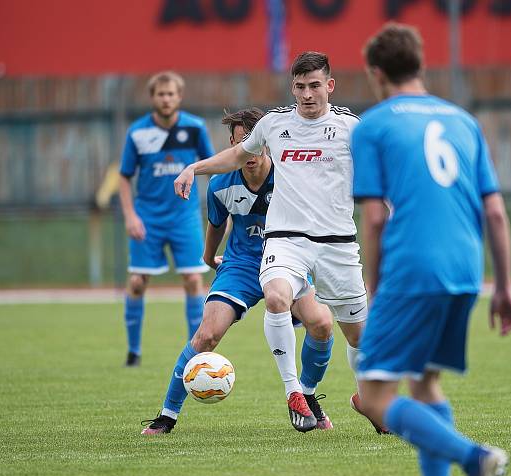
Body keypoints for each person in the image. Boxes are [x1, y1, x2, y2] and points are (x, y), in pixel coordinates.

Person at [350, 23, 511, 476]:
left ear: (375, 73)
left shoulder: (374, 126)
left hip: (413, 267)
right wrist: (505, 286)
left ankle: (476, 458)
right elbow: (495, 213)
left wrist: (376, 286)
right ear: (421, 66)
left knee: (375, 396)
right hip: (465, 268)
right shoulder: (463, 121)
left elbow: (376, 216)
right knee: (425, 384)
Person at [173, 52, 368, 433]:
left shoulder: (351, 129)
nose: (307, 94)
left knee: (357, 335)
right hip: (286, 239)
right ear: (291, 87)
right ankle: (293, 391)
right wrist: (194, 167)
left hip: (337, 243)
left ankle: (366, 399)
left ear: (329, 86)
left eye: (315, 86)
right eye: (300, 86)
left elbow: (379, 175)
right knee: (277, 297)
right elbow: (235, 154)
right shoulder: (273, 125)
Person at [142, 108, 336, 435]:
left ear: (267, 141)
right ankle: (167, 415)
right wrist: (208, 258)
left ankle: (306, 395)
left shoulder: (290, 178)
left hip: (287, 259)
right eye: (239, 142)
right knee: (207, 334)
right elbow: (216, 225)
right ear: (233, 148)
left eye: (253, 140)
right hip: (242, 265)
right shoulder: (220, 185)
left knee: (321, 324)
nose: (248, 149)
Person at [118, 71, 214, 367]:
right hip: (148, 219)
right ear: (153, 98)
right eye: (161, 94)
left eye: (171, 93)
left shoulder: (196, 128)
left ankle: (194, 355)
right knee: (136, 282)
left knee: (193, 280)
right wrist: (131, 216)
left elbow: (211, 167)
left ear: (179, 96)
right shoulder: (137, 133)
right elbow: (124, 177)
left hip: (184, 218)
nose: (166, 99)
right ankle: (134, 352)